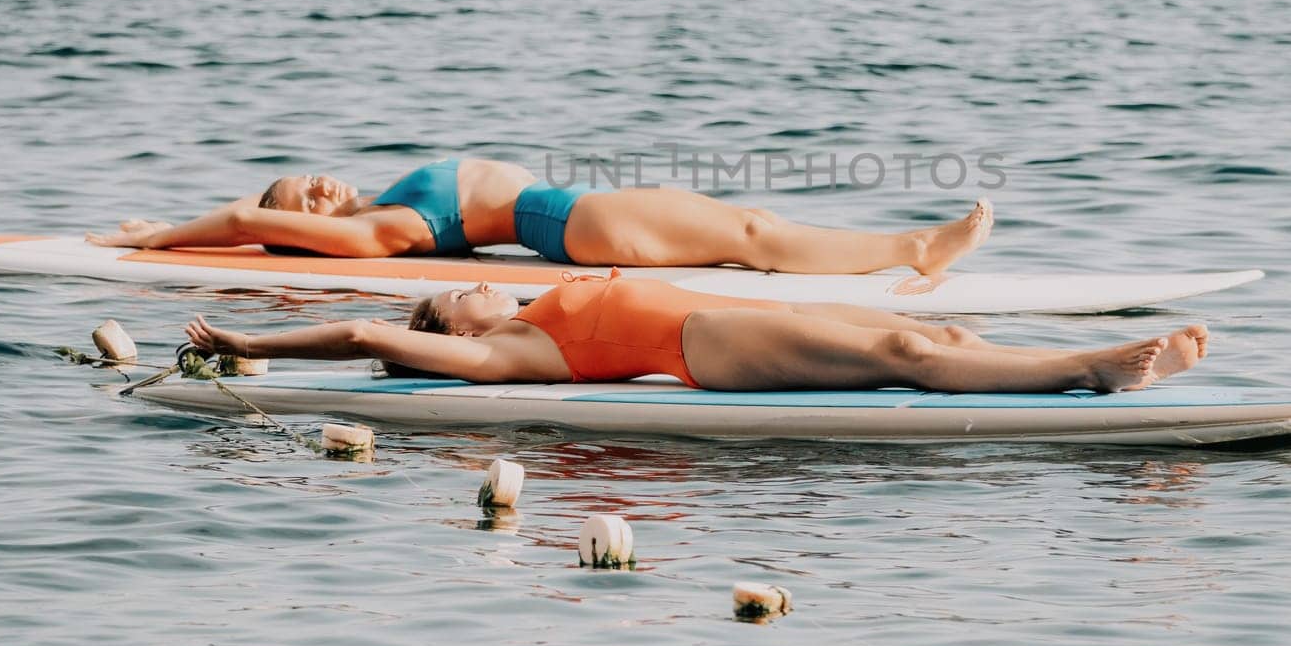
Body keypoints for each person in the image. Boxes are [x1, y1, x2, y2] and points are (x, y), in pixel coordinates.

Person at [183, 276, 1210, 394]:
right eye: (467, 298)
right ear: (447, 329)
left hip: (735, 319)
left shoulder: (532, 311)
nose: (486, 292)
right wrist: (247, 344)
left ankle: (1061, 365)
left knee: (924, 327)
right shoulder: (507, 351)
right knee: (904, 359)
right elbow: (369, 330)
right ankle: (1090, 370)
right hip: (709, 344)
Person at [88, 157, 992, 274]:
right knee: (750, 238)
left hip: (577, 217)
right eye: (299, 204)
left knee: (746, 225)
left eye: (303, 179)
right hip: (578, 223)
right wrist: (161, 234)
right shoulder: (387, 229)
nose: (315, 188)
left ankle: (907, 248)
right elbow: (253, 219)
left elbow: (263, 211)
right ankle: (916, 248)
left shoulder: (388, 202)